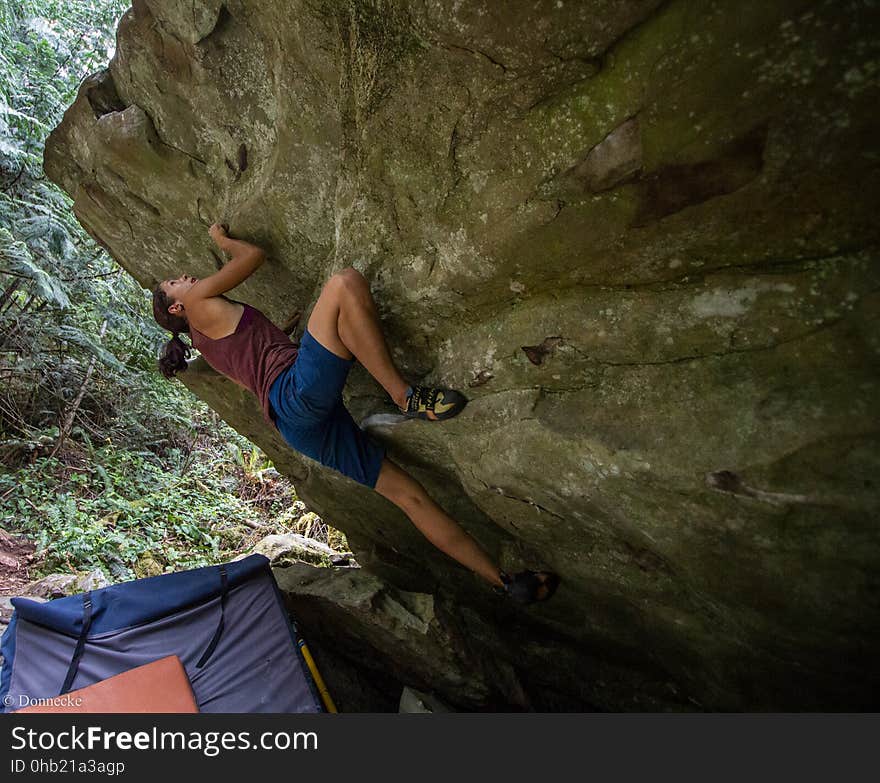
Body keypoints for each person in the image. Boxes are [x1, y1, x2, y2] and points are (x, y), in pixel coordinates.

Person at [152, 222, 558, 604]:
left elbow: (255, 369)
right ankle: (405, 397)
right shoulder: (200, 299)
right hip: (295, 393)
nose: (184, 278)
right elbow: (253, 257)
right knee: (343, 284)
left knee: (408, 496)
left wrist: (287, 340)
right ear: (176, 310)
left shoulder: (205, 343)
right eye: (175, 284)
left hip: (294, 423)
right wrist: (223, 242)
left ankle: (505, 583)